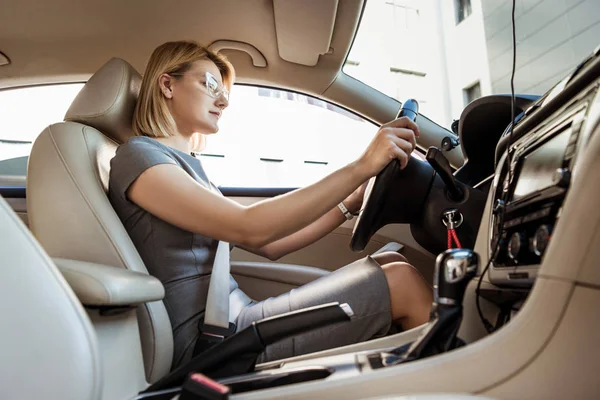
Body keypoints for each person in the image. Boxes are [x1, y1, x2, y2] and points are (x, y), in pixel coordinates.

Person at [108, 40, 433, 368]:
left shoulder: (187, 166)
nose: (222, 100)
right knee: (400, 281)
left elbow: (273, 243)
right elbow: (249, 227)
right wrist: (361, 165)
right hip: (210, 340)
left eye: (225, 92)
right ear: (167, 85)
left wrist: (351, 200)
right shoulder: (139, 157)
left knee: (390, 260)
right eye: (209, 85)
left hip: (232, 318)